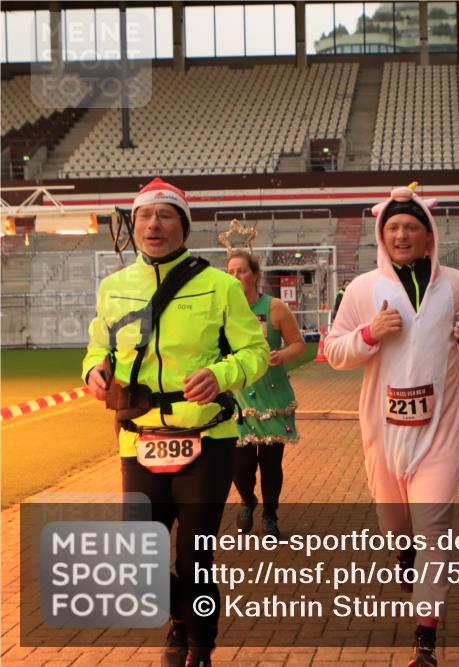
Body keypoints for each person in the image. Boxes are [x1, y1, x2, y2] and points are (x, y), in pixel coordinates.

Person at [82, 178, 269, 667]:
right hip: (139, 438)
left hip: (206, 438)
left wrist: (222, 374)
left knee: (193, 558)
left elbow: (256, 351)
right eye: (145, 215)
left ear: (183, 226)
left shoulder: (221, 286)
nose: (153, 224)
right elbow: (98, 347)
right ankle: (182, 622)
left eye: (165, 215)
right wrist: (95, 371)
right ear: (134, 225)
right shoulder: (113, 288)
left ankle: (199, 649)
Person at [324, 184, 459, 667]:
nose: (401, 235)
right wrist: (369, 334)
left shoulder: (455, 283)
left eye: (411, 227)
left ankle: (425, 643)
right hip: (384, 432)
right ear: (381, 233)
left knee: (435, 530)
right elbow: (333, 352)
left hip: (439, 430)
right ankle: (401, 554)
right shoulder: (362, 289)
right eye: (393, 227)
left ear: (428, 234)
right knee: (397, 527)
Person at [225, 250, 305, 538]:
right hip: (238, 399)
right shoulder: (223, 310)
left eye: (242, 271)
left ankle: (270, 515)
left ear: (255, 275)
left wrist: (282, 355)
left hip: (273, 397)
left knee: (271, 464)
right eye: (230, 272)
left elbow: (298, 344)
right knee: (240, 467)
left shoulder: (275, 308)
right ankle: (248, 500)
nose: (235, 277)